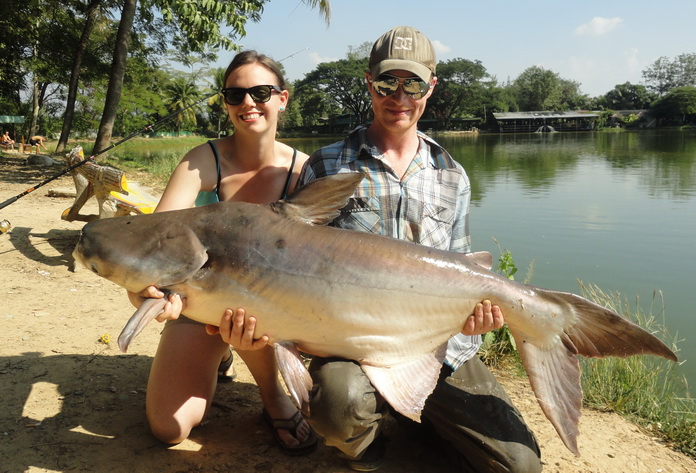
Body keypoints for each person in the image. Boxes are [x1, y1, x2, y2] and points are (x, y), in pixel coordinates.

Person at [219, 26, 542, 472]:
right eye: (388, 82)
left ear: (431, 86)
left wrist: (475, 316)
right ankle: (368, 453)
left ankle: (419, 414)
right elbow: (289, 265)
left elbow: (461, 262)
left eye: (412, 83)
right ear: (370, 83)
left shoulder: (452, 174)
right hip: (353, 344)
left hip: (436, 347)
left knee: (519, 466)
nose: (399, 96)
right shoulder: (329, 164)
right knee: (337, 409)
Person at [126, 50, 317, 455]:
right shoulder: (202, 161)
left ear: (283, 98)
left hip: (275, 305)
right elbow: (153, 241)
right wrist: (143, 293)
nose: (248, 103)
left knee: (254, 304)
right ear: (226, 102)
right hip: (200, 304)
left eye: (260, 92)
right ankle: (219, 355)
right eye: (235, 95)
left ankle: (272, 396)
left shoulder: (307, 172)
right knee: (169, 429)